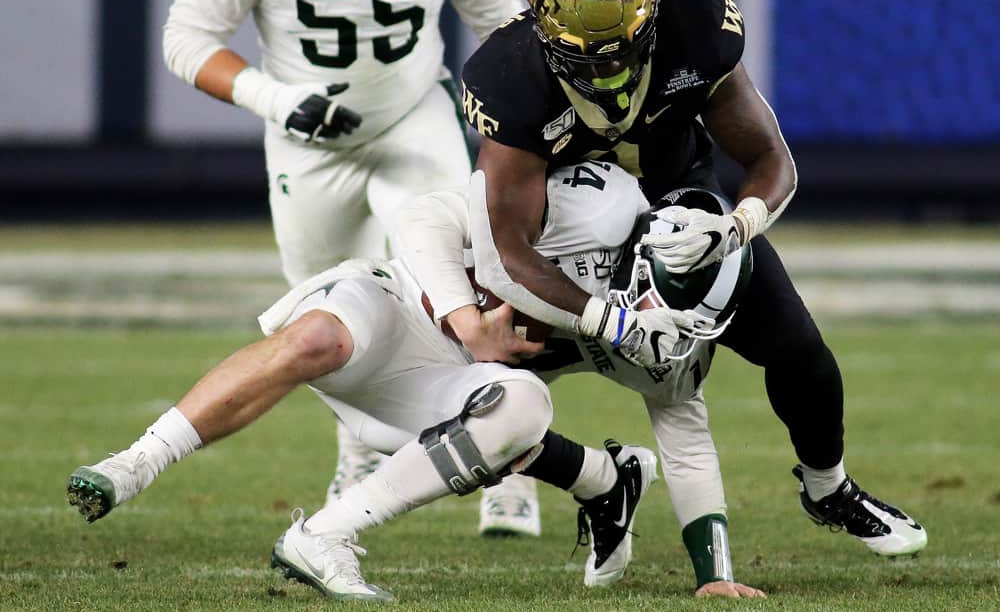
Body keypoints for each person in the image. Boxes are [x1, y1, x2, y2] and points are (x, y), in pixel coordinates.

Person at [67, 162, 765, 600]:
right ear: (648, 259)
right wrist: (465, 317)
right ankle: (136, 462)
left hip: (445, 392)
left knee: (522, 402)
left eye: (689, 326)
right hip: (406, 308)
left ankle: (324, 538)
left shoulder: (671, 348)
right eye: (666, 310)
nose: (664, 331)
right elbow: (424, 216)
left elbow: (689, 439)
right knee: (314, 337)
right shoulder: (595, 207)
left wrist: (714, 572)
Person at [458, 0, 927, 557]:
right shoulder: (510, 76)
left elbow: (771, 158)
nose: (619, 63)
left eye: (631, 42)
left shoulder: (692, 20)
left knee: (800, 350)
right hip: (571, 242)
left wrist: (735, 227)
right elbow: (508, 249)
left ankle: (829, 487)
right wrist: (607, 320)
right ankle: (594, 483)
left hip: (681, 212)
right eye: (598, 54)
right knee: (479, 375)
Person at [161, 0, 537, 535]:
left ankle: (517, 465)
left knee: (474, 288)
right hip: (303, 138)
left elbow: (505, 29)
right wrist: (275, 98)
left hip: (413, 115)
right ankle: (357, 450)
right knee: (325, 319)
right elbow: (187, 38)